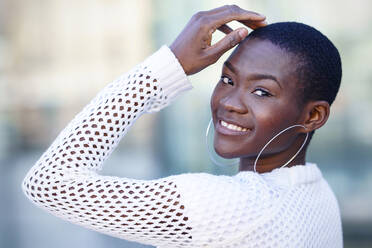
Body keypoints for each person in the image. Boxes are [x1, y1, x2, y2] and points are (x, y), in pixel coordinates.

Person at [22, 5, 343, 248]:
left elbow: (49, 184)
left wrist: (167, 67)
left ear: (313, 116)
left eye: (262, 91)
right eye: (228, 79)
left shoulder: (232, 206)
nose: (230, 101)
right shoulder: (317, 194)